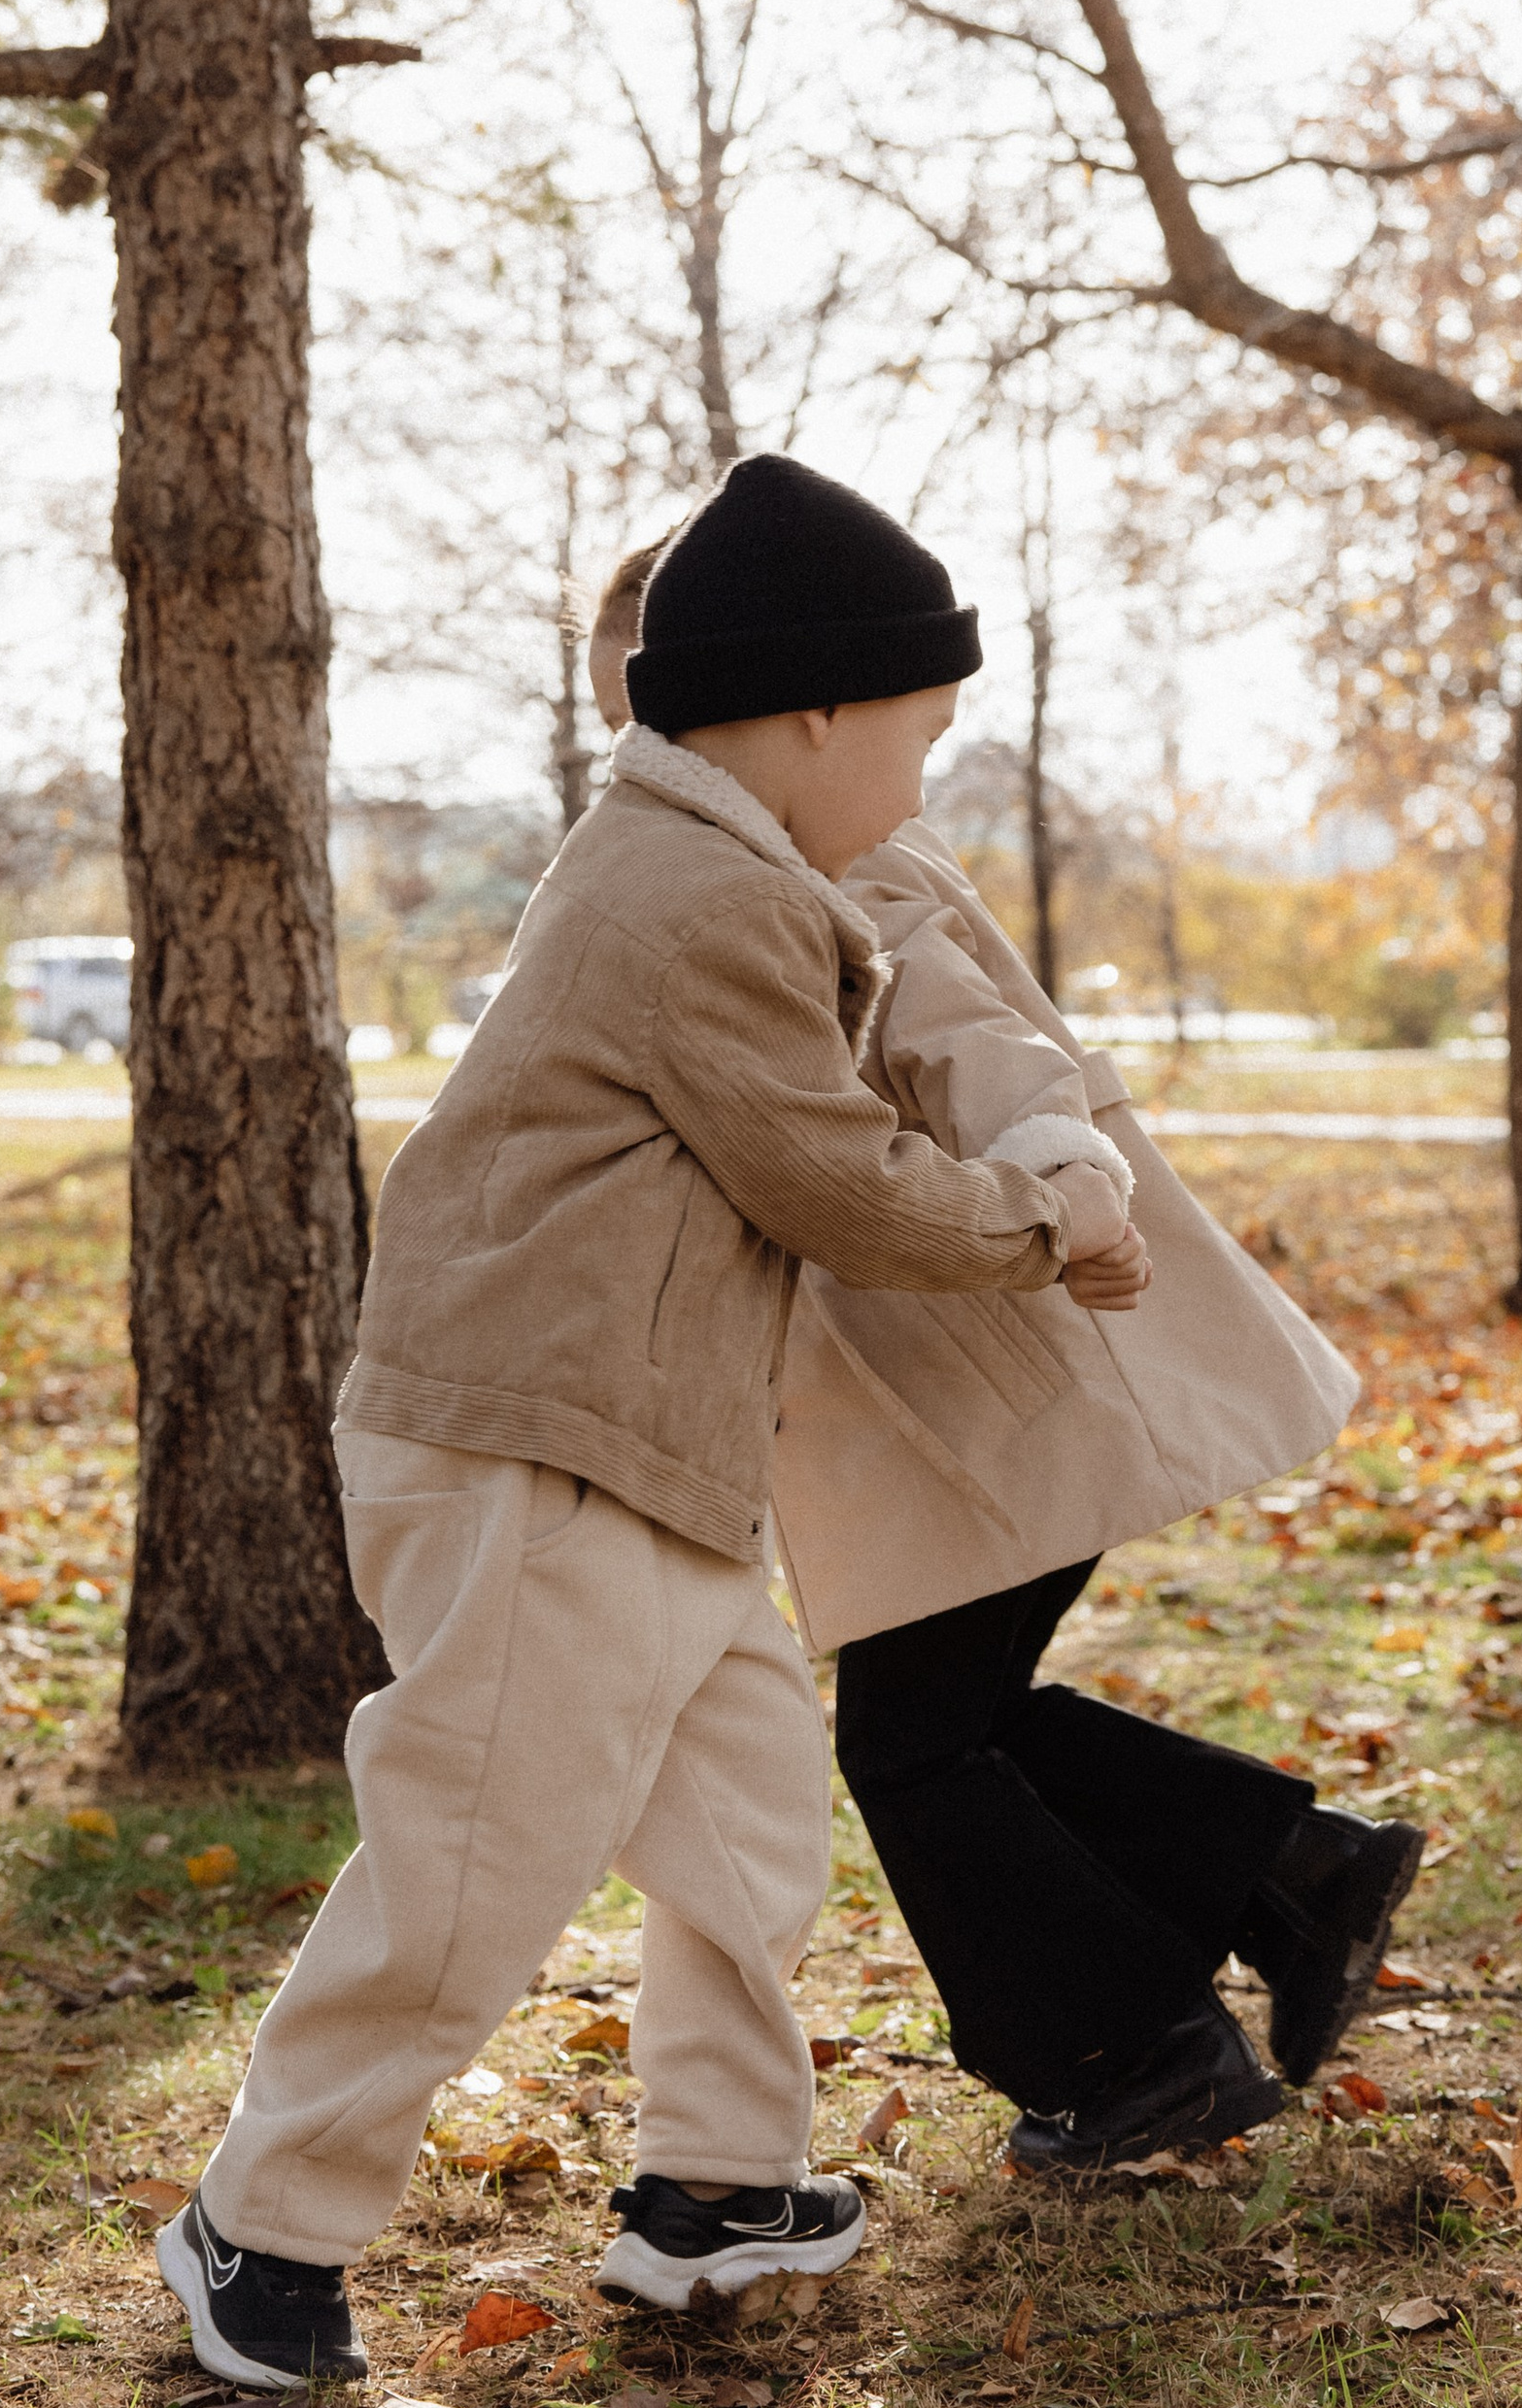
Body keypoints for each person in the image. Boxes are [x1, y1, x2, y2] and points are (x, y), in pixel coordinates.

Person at [156, 455, 1149, 2387]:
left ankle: (716, 2193)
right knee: (470, 1863)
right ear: (808, 713)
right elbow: (837, 1183)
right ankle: (257, 2228)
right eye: (918, 731)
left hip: (650, 1461)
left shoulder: (719, 859)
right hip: (538, 1449)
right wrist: (1045, 1217)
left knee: (743, 1826)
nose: (927, 779)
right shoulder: (690, 886)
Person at [581, 548, 1420, 2175]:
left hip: (984, 1365)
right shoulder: (734, 856)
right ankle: (1292, 1880)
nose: (652, 735)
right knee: (956, 1724)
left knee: (915, 1745)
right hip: (928, 1386)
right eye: (625, 699)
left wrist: (1061, 1168)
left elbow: (979, 1040)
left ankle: (1137, 2048)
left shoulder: (848, 863)